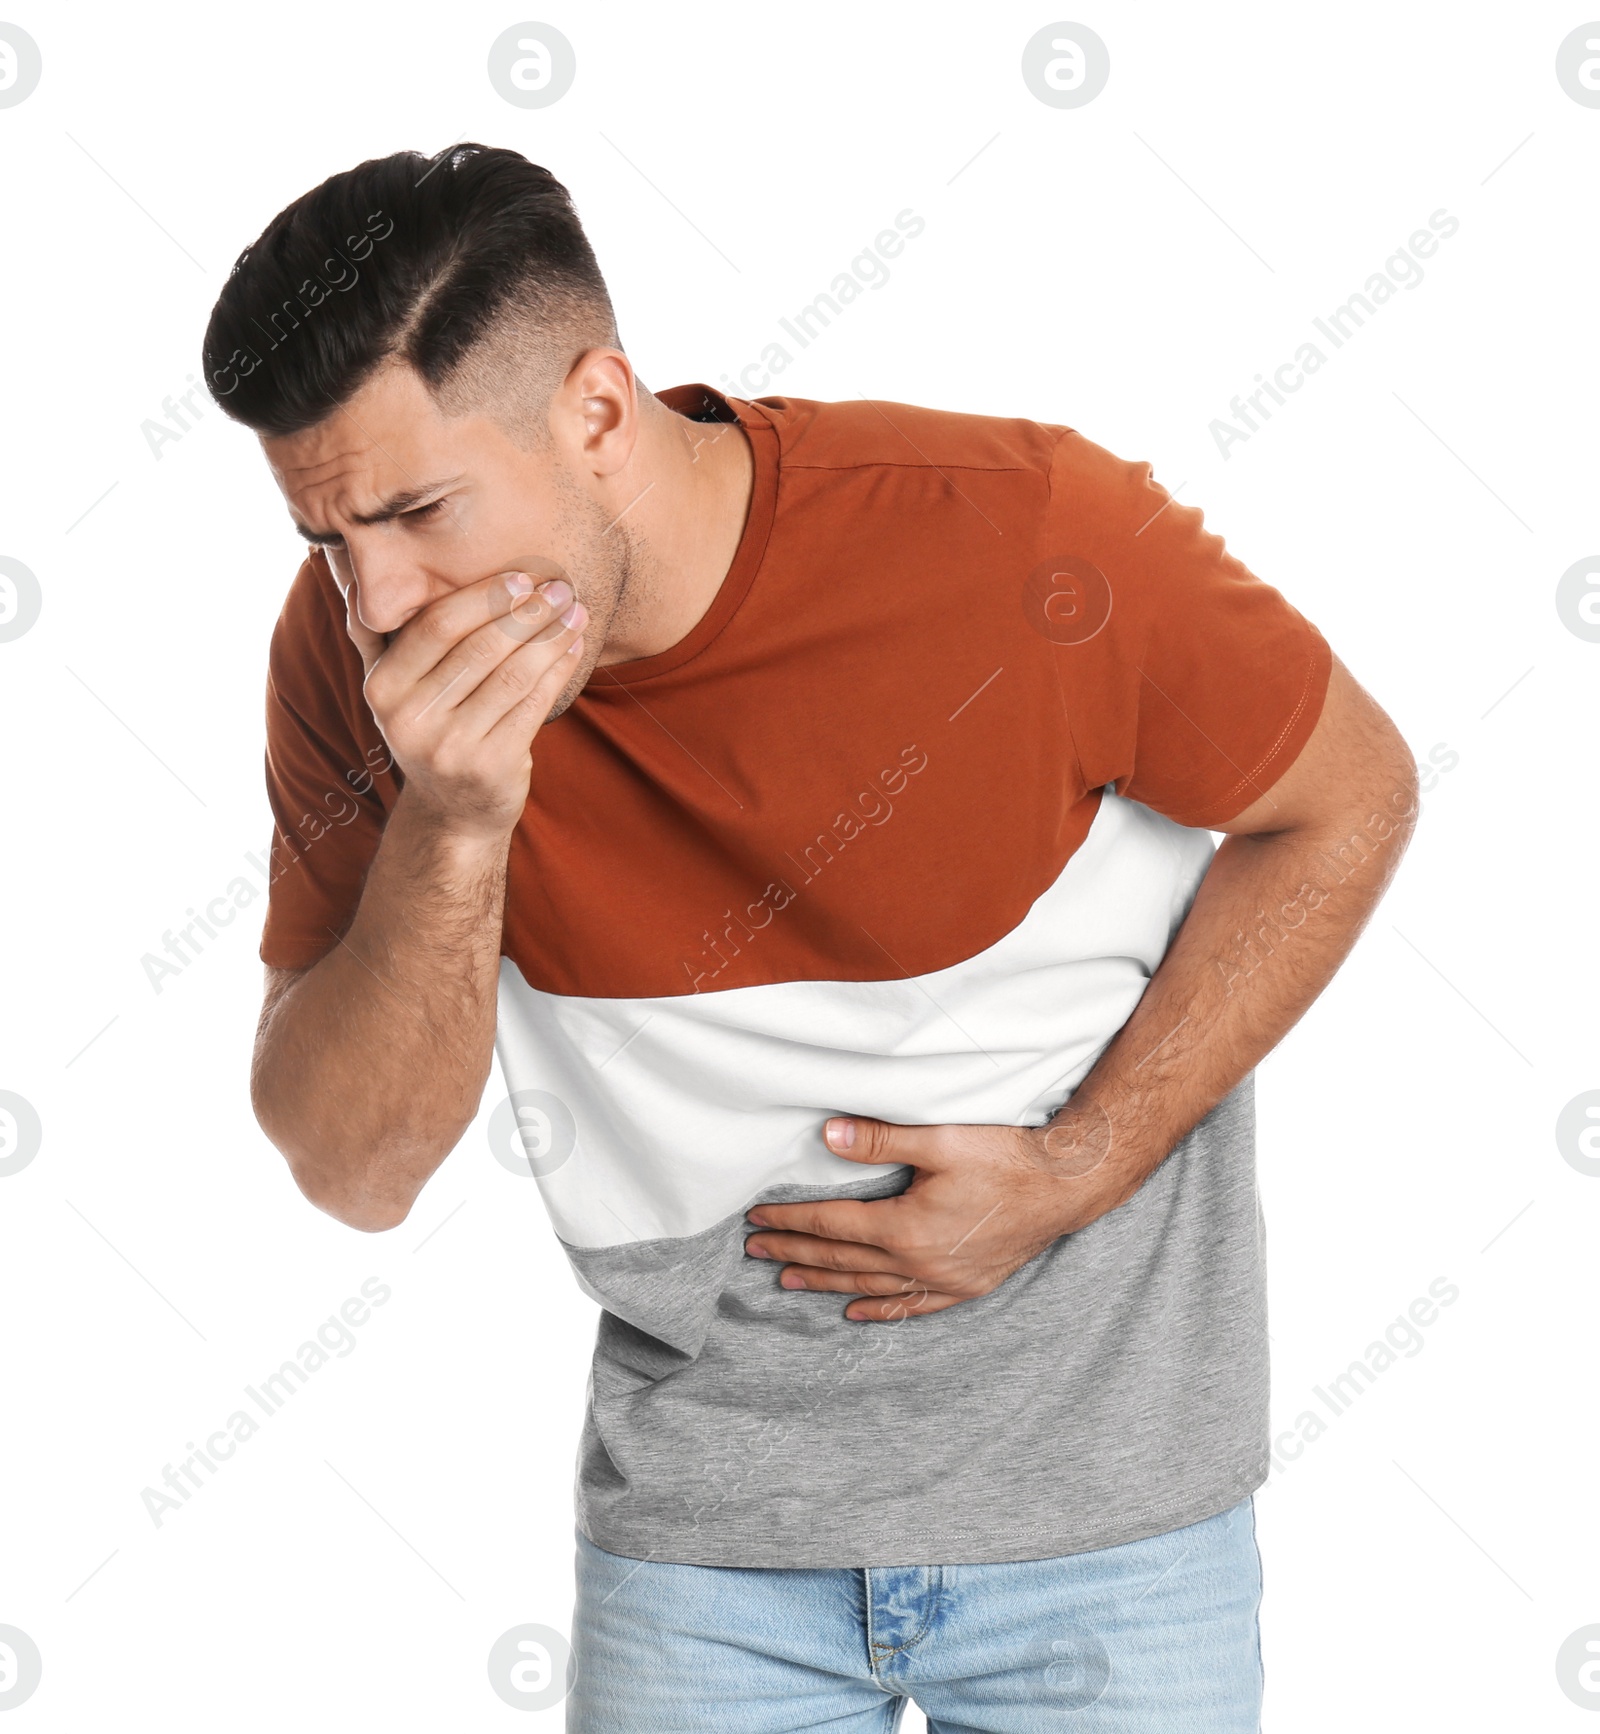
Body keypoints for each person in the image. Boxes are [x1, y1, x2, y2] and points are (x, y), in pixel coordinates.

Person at [204, 142, 1418, 1731]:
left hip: (1111, 1527)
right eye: (330, 539)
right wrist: (451, 823)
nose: (377, 600)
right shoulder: (358, 669)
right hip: (701, 1552)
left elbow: (1351, 799)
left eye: (421, 511)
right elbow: (353, 1168)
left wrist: (1082, 1161)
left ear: (595, 410)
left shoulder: (1031, 537)